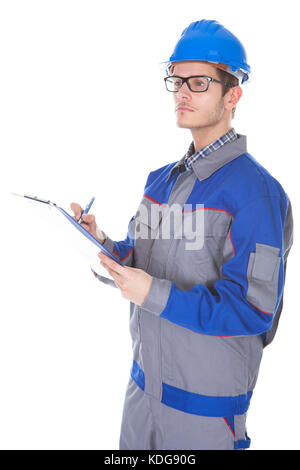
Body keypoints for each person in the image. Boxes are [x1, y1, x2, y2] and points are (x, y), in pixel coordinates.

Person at [70, 19, 293, 450]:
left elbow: (252, 311)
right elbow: (142, 261)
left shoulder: (258, 194)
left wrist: (152, 291)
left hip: (205, 415)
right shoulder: (160, 181)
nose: (182, 91)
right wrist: (101, 244)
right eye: (177, 80)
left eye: (199, 81)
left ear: (233, 94)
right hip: (141, 396)